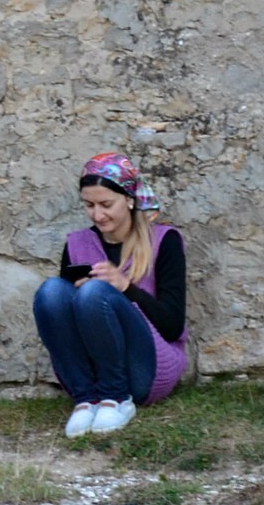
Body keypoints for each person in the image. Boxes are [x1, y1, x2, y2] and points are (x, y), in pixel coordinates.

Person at [31, 153, 188, 437]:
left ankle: (117, 398)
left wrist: (125, 287)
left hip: (148, 367)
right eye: (89, 205)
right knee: (51, 291)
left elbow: (173, 325)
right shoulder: (77, 243)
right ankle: (85, 399)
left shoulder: (165, 240)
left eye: (106, 204)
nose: (97, 214)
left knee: (94, 292)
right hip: (94, 368)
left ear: (128, 199)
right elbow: (63, 320)